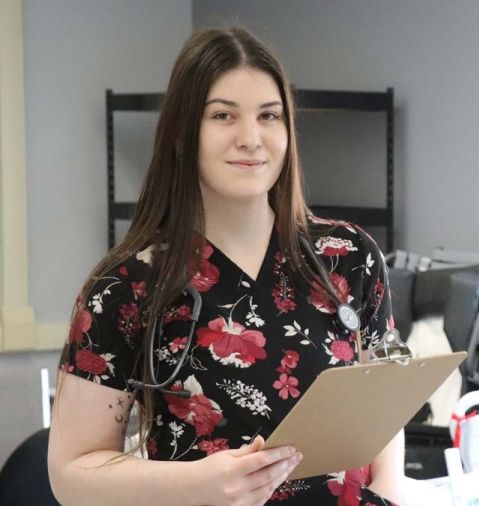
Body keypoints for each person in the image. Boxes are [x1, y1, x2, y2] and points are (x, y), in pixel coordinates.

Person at [47, 27, 402, 506]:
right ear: (180, 133)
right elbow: (72, 473)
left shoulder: (349, 255)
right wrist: (197, 485)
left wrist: (392, 487)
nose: (251, 138)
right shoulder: (126, 286)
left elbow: (384, 392)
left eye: (269, 116)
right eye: (223, 115)